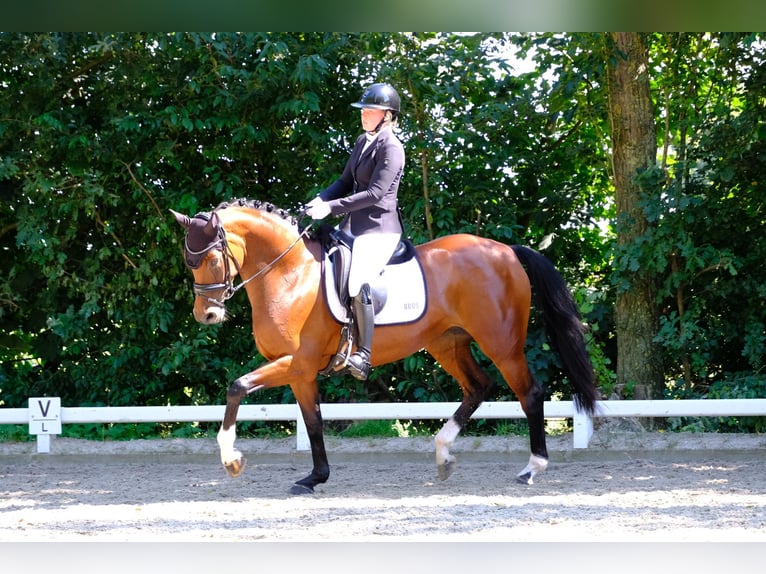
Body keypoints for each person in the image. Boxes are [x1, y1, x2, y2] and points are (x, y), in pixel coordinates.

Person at [305, 82, 405, 381]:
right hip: (352, 228)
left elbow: (375, 193)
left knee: (358, 281)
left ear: (387, 115)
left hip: (379, 230)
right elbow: (345, 180)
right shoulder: (363, 141)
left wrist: (332, 208)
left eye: (370, 111)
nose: (364, 115)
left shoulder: (392, 148)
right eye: (363, 110)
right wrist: (321, 199)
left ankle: (364, 354)